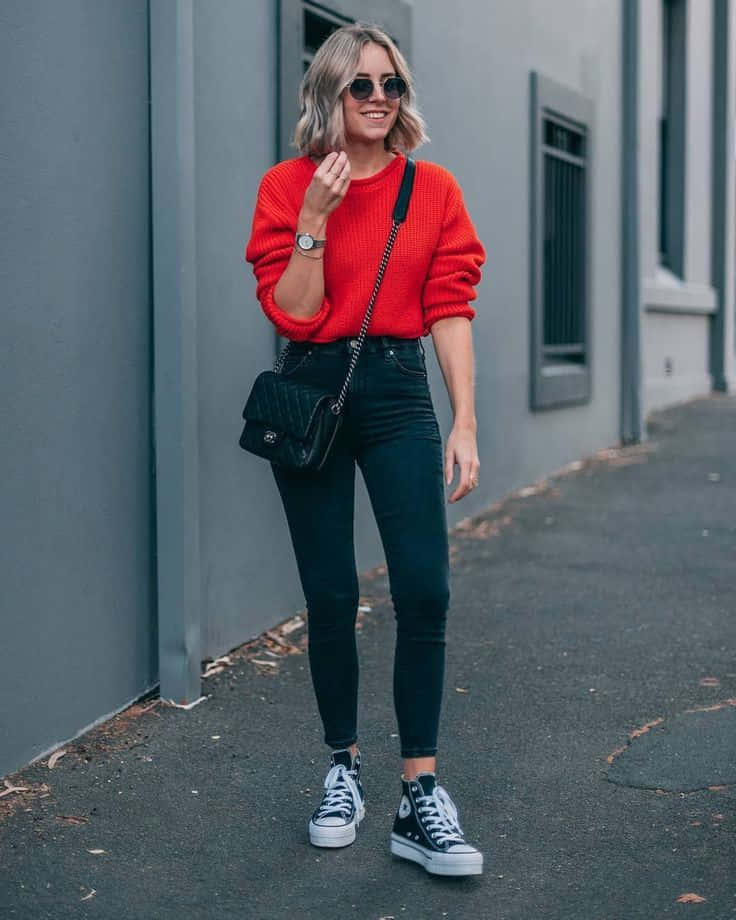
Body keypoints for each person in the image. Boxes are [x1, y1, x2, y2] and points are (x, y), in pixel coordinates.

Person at [245, 22, 486, 877]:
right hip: (310, 390)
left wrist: (463, 421)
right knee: (330, 591)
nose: (380, 99)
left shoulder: (434, 190)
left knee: (424, 589)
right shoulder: (286, 187)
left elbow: (449, 305)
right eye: (362, 86)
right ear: (330, 94)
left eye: (391, 84)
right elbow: (296, 314)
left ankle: (419, 796)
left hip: (395, 391)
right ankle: (341, 765)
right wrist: (314, 217)